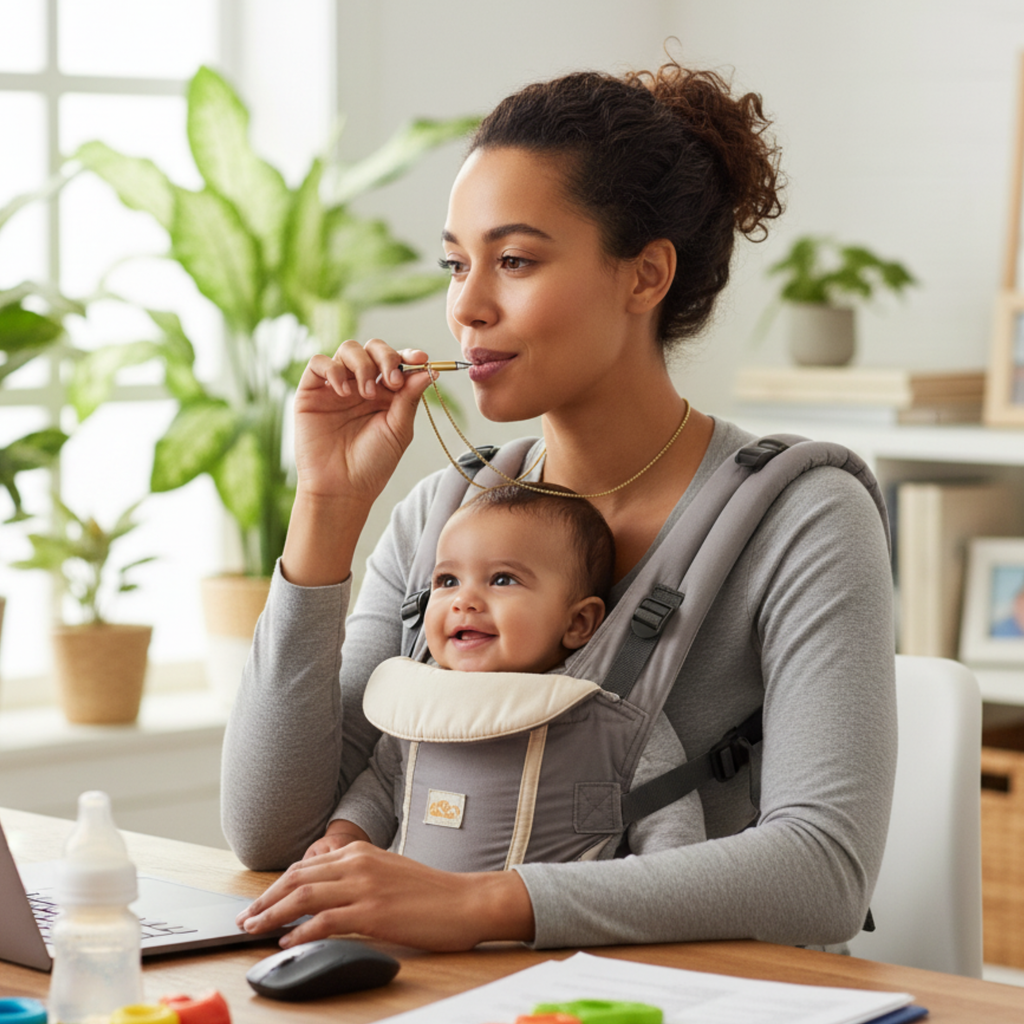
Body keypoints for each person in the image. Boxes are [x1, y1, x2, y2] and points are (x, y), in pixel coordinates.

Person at [222, 59, 896, 953]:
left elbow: (824, 872)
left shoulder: (804, 517)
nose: (467, 306)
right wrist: (327, 507)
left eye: (514, 260)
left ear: (646, 275)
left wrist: (483, 905)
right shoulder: (441, 515)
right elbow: (270, 831)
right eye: (456, 264)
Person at [306, 484, 706, 865]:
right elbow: (380, 782)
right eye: (447, 580)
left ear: (579, 622)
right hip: (395, 922)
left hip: (548, 932)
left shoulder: (611, 719)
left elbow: (670, 827)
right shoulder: (420, 699)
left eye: (502, 580)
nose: (464, 600)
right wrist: (346, 835)